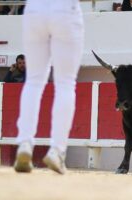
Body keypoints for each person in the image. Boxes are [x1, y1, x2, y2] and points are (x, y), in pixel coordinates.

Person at [14, 0, 84, 174]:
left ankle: (24, 143)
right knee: (65, 83)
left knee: (33, 81)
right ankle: (57, 150)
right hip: (65, 9)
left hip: (34, 9)